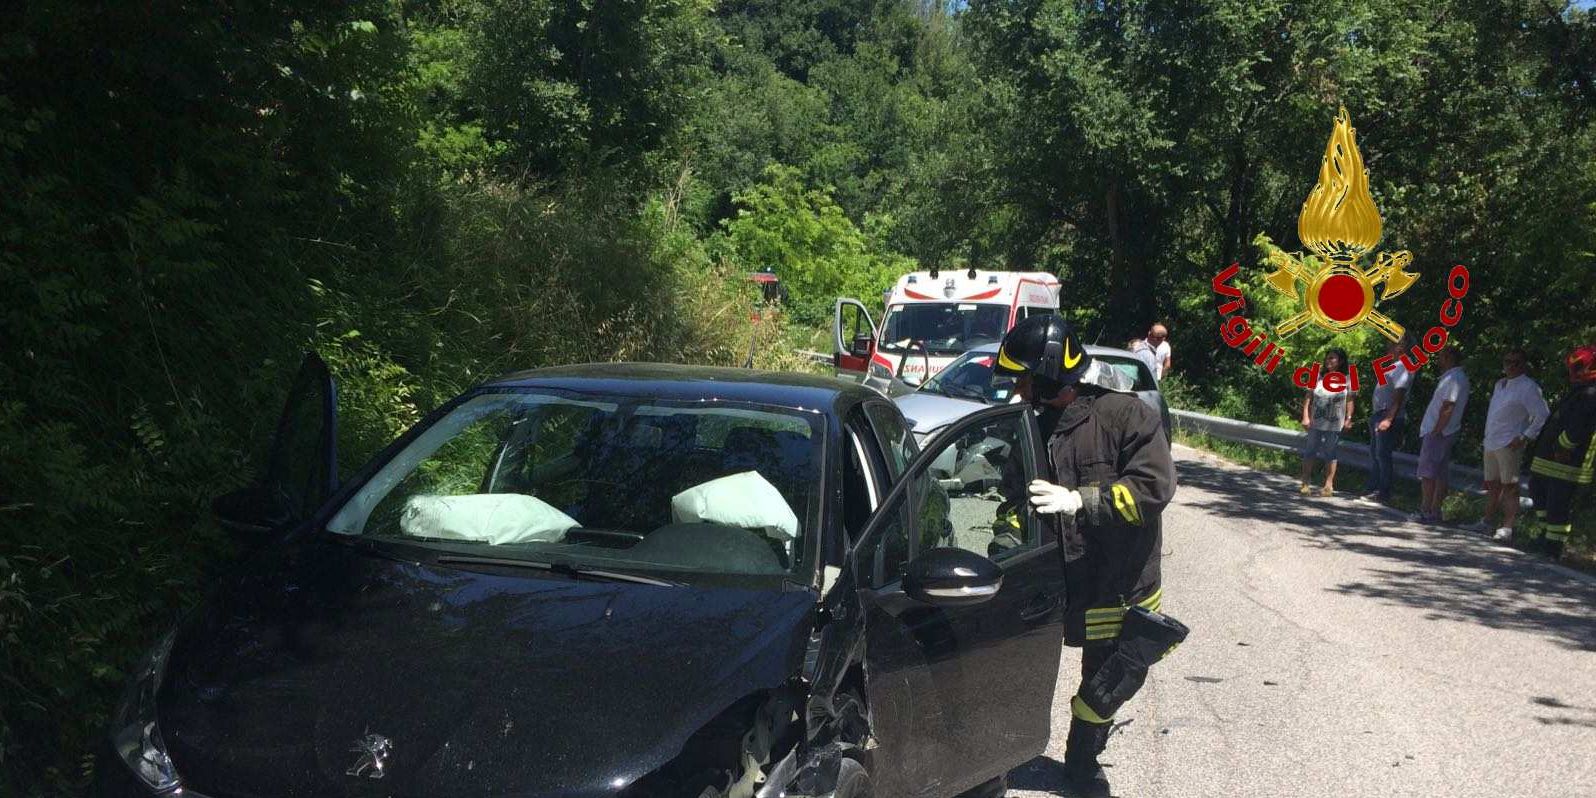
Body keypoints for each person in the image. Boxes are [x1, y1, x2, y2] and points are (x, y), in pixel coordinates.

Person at [992, 315, 1185, 798]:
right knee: (1015, 666)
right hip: (1054, 582)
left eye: (1024, 377)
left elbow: (1153, 487)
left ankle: (1081, 764)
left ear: (1052, 372)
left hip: (1118, 583)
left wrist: (1082, 500)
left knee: (1109, 681)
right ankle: (996, 755)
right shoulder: (1029, 430)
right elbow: (1015, 501)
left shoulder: (1126, 416)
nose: (1017, 387)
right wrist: (1004, 547)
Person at [1524, 344, 1596, 558]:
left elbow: (1579, 427)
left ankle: (1553, 546)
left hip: (1568, 459)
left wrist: (1564, 446)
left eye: (1578, 367)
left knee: (1558, 502)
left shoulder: (1591, 393)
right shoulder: (1581, 390)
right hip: (1550, 456)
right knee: (1537, 488)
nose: (1573, 372)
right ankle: (1546, 533)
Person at [1470, 349, 1548, 541]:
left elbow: (1542, 414)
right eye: (1508, 361)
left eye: (1516, 362)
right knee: (1493, 485)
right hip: (1492, 440)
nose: (1511, 366)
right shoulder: (1500, 384)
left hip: (1509, 442)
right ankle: (1486, 522)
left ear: (1524, 365)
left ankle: (1507, 527)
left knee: (1510, 486)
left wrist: (1525, 436)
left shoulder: (1529, 387)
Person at [1411, 345, 1469, 524]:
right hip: (1445, 431)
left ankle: (1426, 509)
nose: (1438, 359)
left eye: (1441, 356)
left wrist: (1437, 429)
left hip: (1440, 432)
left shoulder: (1454, 378)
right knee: (1439, 474)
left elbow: (1448, 405)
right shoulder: (1455, 377)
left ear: (1450, 358)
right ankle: (1435, 511)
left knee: (1428, 473)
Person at [1359, 335, 1414, 504]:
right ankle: (1373, 487)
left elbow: (1399, 395)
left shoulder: (1403, 366)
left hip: (1387, 415)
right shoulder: (1393, 366)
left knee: (1382, 454)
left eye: (1393, 344)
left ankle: (1383, 492)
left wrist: (1388, 419)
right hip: (1379, 413)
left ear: (1401, 347)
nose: (1388, 347)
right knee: (1376, 453)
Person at [1297, 348, 1354, 497]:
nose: (1328, 361)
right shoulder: (1317, 376)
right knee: (1310, 450)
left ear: (1340, 361)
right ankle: (1305, 481)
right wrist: (1305, 416)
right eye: (1327, 358)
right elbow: (1308, 396)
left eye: (1332, 358)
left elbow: (1350, 400)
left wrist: (1349, 418)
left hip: (1335, 422)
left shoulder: (1348, 378)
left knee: (1331, 453)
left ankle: (1328, 485)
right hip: (1316, 421)